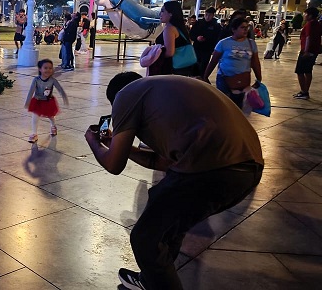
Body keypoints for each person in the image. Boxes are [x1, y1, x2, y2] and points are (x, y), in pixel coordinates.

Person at [84, 72, 263, 290]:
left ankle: (155, 282)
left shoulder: (124, 96)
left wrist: (93, 142)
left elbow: (113, 165)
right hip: (246, 170)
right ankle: (152, 280)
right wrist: (122, 146)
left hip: (210, 168)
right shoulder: (164, 91)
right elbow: (164, 163)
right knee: (167, 225)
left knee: (145, 239)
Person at [203, 17, 262, 109]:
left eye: (247, 27)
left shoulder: (251, 43)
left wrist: (259, 78)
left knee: (238, 107)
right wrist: (206, 76)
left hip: (243, 80)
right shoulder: (223, 43)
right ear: (234, 29)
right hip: (225, 79)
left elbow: (255, 62)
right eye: (242, 27)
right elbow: (213, 61)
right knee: (224, 106)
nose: (246, 30)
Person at [24, 59, 69, 143]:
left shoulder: (53, 80)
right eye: (45, 68)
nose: (48, 70)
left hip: (48, 101)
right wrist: (28, 102)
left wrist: (64, 97)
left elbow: (60, 89)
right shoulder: (36, 80)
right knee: (35, 116)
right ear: (40, 69)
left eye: (50, 68)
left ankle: (53, 126)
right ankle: (34, 133)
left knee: (50, 116)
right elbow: (31, 91)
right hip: (37, 101)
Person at [150, 1, 195, 76]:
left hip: (171, 69)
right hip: (183, 69)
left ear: (171, 13)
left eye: (162, 11)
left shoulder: (169, 28)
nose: (160, 14)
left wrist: (154, 55)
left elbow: (170, 52)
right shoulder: (179, 28)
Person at [293, 7, 322, 100]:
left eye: (305, 14)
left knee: (300, 71)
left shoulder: (310, 24)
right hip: (314, 51)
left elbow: (308, 37)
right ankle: (305, 91)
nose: (304, 15)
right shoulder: (317, 24)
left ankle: (304, 92)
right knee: (308, 71)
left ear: (310, 15)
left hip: (307, 51)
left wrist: (306, 51)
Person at [190, 7, 222, 77]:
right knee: (194, 65)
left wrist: (214, 49)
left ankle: (202, 78)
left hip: (207, 50)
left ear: (213, 15)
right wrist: (197, 38)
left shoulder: (216, 25)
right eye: (206, 14)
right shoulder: (198, 23)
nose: (207, 17)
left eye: (209, 15)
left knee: (203, 66)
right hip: (197, 48)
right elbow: (191, 34)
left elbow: (218, 38)